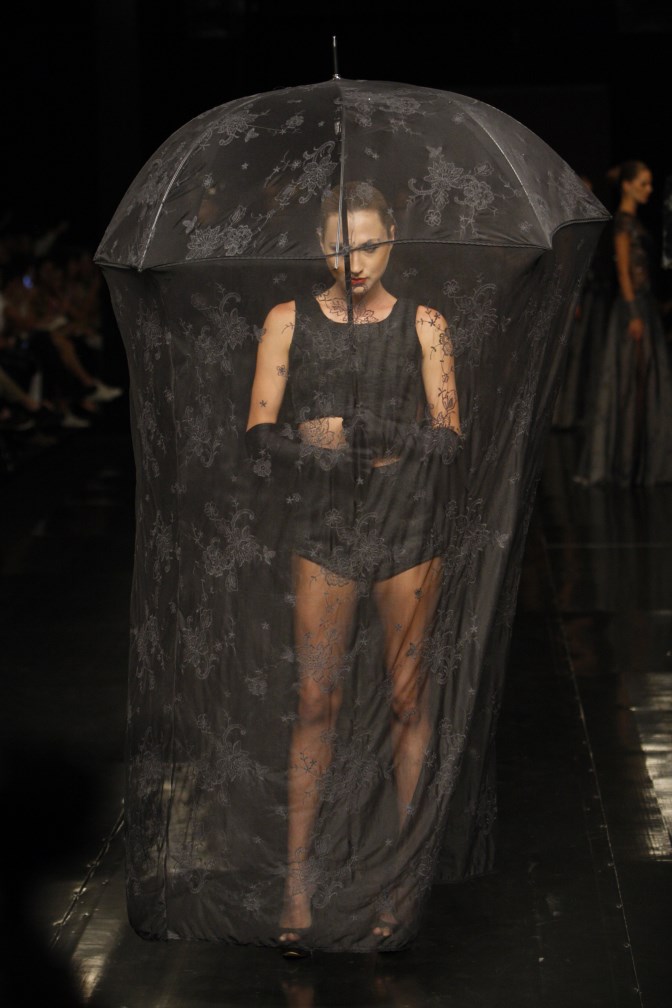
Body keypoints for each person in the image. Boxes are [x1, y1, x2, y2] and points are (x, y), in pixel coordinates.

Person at [245, 182, 461, 956]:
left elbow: (449, 435)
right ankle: (296, 884)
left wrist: (379, 434)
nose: (356, 260)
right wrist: (320, 451)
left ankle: (404, 879)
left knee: (407, 699)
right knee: (316, 700)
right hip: (325, 523)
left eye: (369, 244)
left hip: (406, 523)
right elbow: (258, 431)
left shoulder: (425, 324)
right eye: (341, 246)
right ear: (320, 245)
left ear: (393, 238)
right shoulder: (288, 320)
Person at [575, 160, 672, 485]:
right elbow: (623, 271)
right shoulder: (622, 223)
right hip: (633, 308)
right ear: (628, 186)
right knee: (629, 381)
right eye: (643, 183)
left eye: (650, 183)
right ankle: (626, 461)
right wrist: (632, 311)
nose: (649, 189)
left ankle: (642, 458)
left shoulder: (633, 222)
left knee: (643, 378)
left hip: (643, 306)